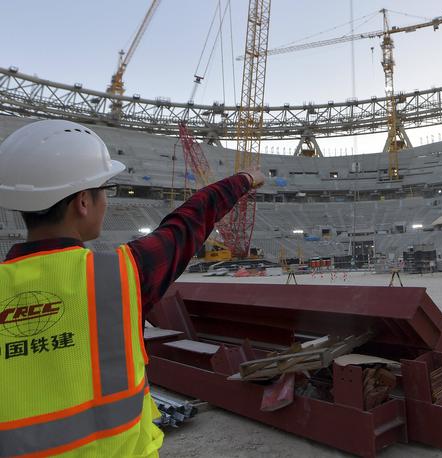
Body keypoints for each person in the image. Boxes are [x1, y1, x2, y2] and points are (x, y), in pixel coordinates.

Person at [0, 119, 265, 457]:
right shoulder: (120, 275)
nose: (106, 203)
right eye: (104, 191)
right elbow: (190, 221)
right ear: (82, 202)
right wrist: (244, 180)